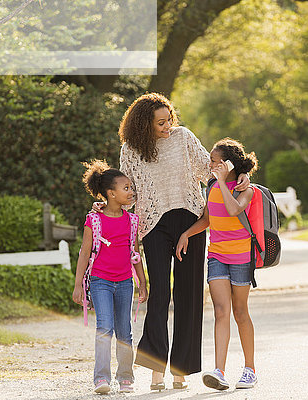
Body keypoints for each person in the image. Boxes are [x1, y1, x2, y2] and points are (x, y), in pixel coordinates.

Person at [94, 93, 250, 390]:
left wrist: (241, 176)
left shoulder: (183, 138)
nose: (167, 127)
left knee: (189, 294)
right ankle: (156, 368)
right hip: (153, 225)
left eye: (169, 120)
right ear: (144, 124)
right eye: (160, 122)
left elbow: (211, 170)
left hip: (190, 221)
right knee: (160, 294)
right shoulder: (130, 150)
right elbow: (129, 190)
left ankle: (181, 370)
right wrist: (107, 205)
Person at [176, 138, 258, 391]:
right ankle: (219, 371)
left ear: (227, 164)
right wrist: (186, 234)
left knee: (240, 312)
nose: (209, 165)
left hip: (242, 256)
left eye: (213, 161)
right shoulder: (212, 187)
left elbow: (234, 210)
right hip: (217, 256)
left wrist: (224, 182)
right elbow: (208, 219)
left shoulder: (246, 189)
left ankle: (250, 370)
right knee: (221, 312)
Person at [73, 159, 148, 395]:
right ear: (111, 193)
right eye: (125, 188)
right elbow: (85, 253)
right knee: (104, 327)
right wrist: (78, 286)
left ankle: (125, 377)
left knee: (124, 330)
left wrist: (142, 284)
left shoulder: (132, 220)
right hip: (100, 282)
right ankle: (101, 379)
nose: (131, 191)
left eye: (131, 187)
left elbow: (136, 254)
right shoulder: (94, 219)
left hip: (125, 282)